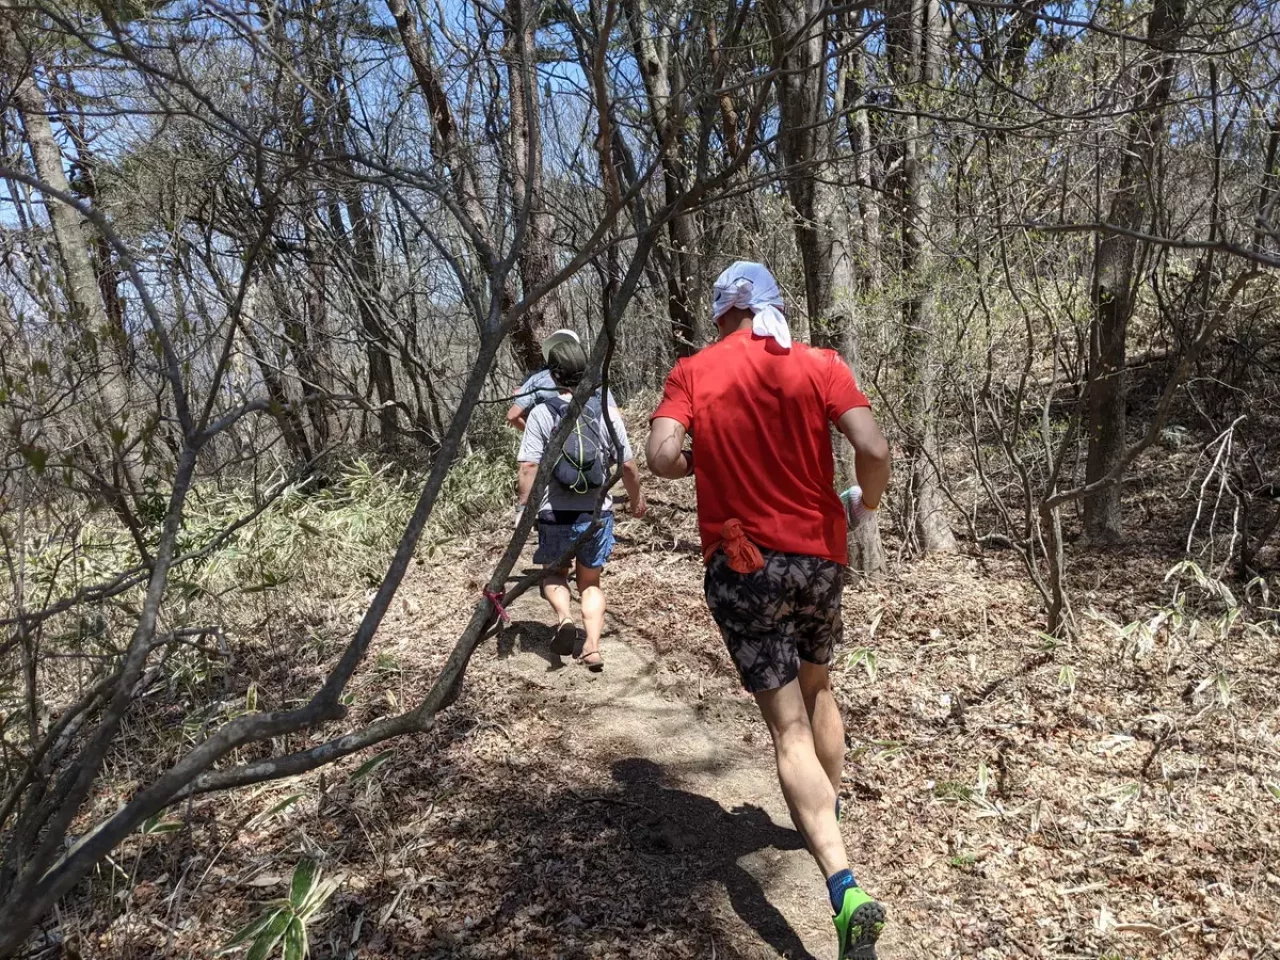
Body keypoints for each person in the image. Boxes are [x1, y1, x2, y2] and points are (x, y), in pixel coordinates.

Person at [645, 261, 891, 959]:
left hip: (745, 562)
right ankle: (822, 816)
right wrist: (864, 506)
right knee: (820, 689)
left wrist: (695, 458)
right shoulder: (818, 364)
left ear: (724, 313)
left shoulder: (693, 371)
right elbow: (871, 448)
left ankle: (842, 884)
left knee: (786, 730)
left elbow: (660, 455)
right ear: (773, 309)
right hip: (820, 558)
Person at [517, 338, 646, 670]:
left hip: (553, 513)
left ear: (554, 375)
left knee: (555, 575)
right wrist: (636, 499)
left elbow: (528, 467)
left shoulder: (542, 413)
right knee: (590, 582)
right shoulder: (604, 409)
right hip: (596, 512)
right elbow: (627, 465)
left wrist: (524, 510)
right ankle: (592, 647)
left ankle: (563, 617)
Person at [507, 329, 617, 431]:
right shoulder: (594, 377)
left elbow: (512, 416)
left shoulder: (537, 379)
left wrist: (537, 435)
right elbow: (615, 416)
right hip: (592, 440)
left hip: (555, 446)